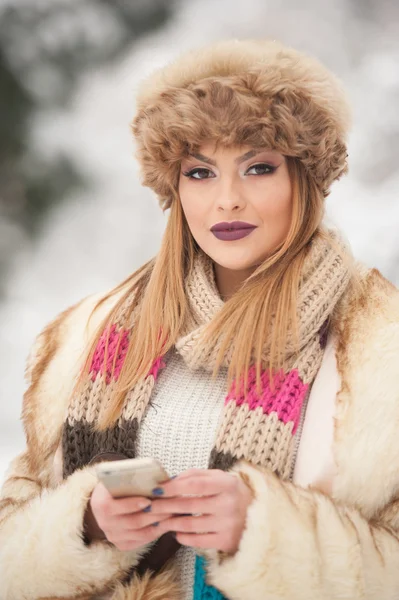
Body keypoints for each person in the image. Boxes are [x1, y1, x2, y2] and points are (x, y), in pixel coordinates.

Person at [1, 37, 399, 600]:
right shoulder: (90, 336)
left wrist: (266, 533)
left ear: (303, 181)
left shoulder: (380, 349)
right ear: (175, 188)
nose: (228, 200)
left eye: (258, 167)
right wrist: (83, 526)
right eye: (200, 172)